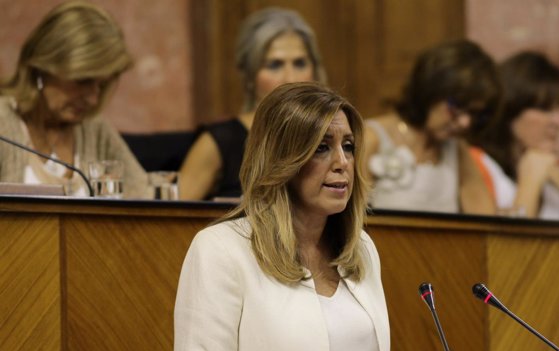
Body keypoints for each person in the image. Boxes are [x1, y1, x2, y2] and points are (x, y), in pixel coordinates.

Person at [174, 81, 403, 351]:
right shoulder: (222, 250)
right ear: (282, 158)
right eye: (321, 147)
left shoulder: (362, 251)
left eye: (348, 146)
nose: (342, 163)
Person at [0, 1, 148, 198]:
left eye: (101, 85)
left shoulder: (94, 129)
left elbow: (145, 200)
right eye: (83, 81)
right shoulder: (3, 123)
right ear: (44, 66)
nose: (93, 99)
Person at [177, 7, 327, 201]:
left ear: (314, 70)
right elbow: (171, 219)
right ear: (249, 75)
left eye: (299, 63)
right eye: (274, 65)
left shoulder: (334, 135)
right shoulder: (219, 141)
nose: (291, 77)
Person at [361, 39, 501, 215]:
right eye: (456, 107)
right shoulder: (371, 137)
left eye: (474, 113)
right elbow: (349, 222)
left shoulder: (457, 150)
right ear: (430, 89)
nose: (466, 122)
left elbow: (486, 222)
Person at [471, 50, 559, 221]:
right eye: (544, 109)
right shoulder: (478, 163)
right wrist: (531, 179)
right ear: (511, 110)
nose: (557, 121)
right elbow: (512, 245)